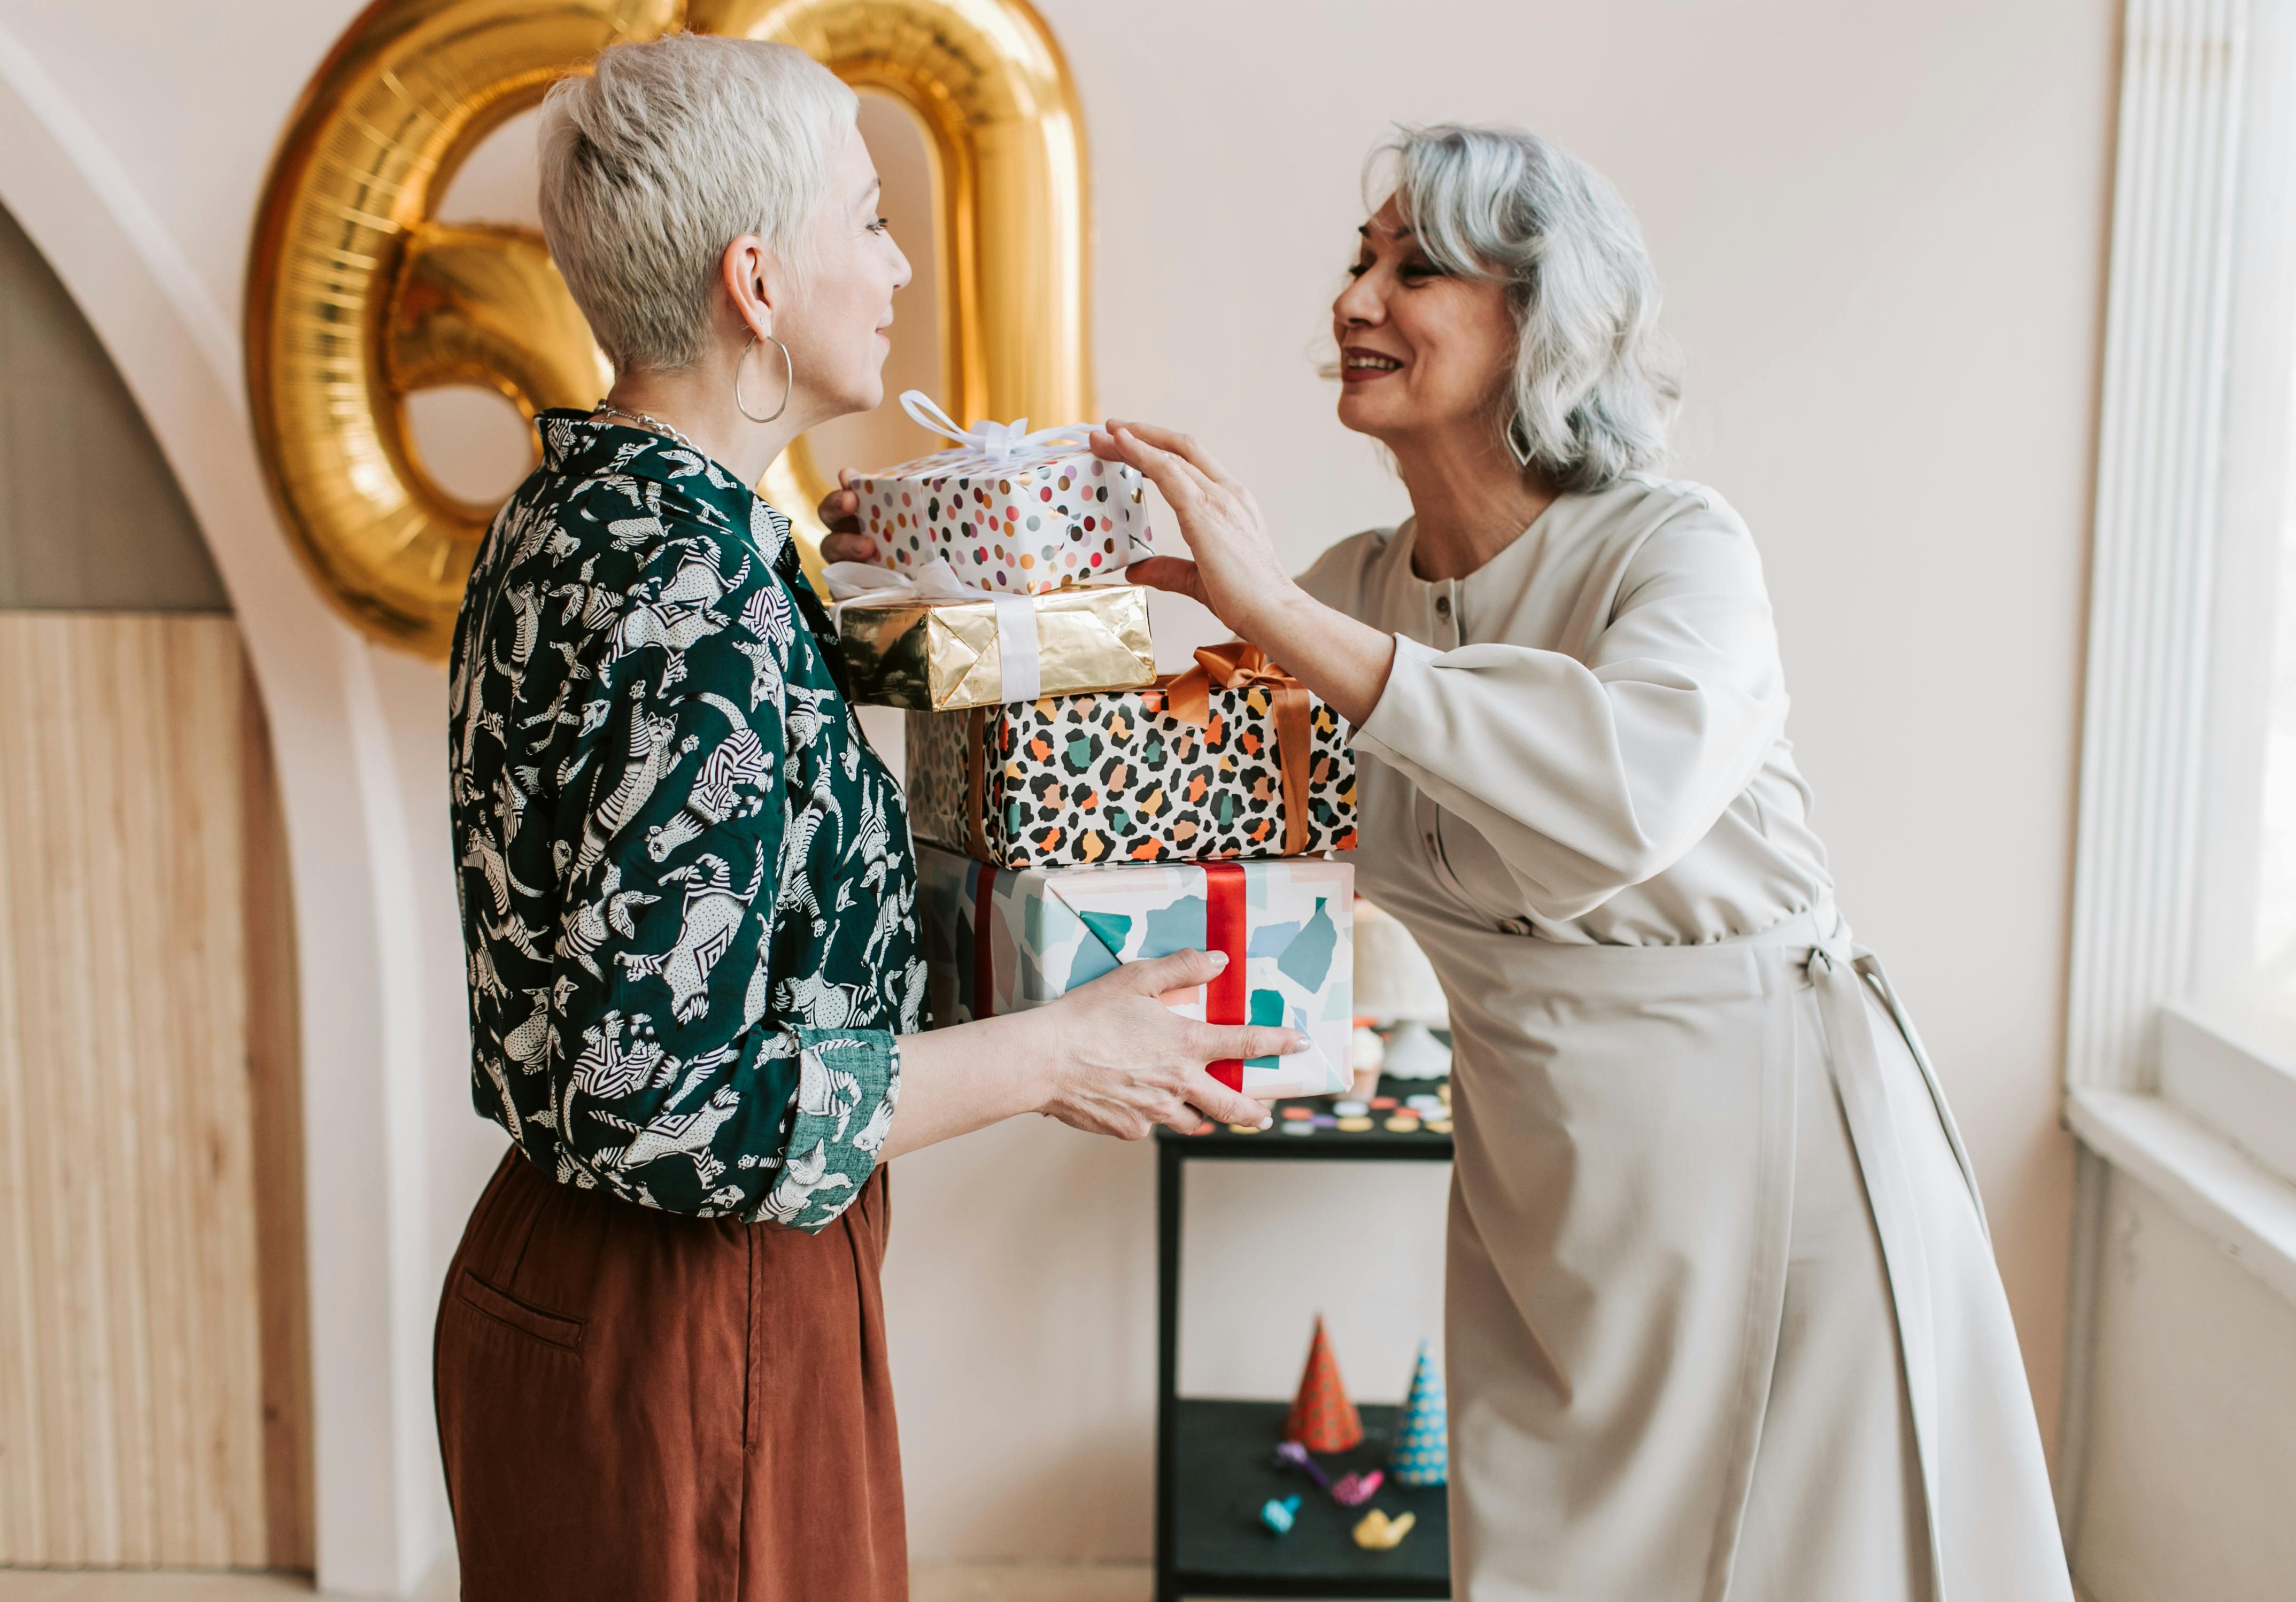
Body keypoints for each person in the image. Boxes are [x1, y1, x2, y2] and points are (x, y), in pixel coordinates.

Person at [836, 122, 2074, 1602]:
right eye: (1361, 258)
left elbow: (1627, 792)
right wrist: (938, 569)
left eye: (1417, 265)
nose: (1359, 298)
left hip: (1763, 1144)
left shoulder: (1677, 550)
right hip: (1542, 1174)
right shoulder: (1359, 589)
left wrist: (1278, 619)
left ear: (1541, 323)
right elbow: (1170, 799)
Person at [438, 35, 1303, 1602]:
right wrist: (1059, 1052)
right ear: (756, 283)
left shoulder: (587, 513)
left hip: (580, 1287)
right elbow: (667, 1103)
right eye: (871, 217)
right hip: (693, 1325)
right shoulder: (688, 590)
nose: (900, 265)